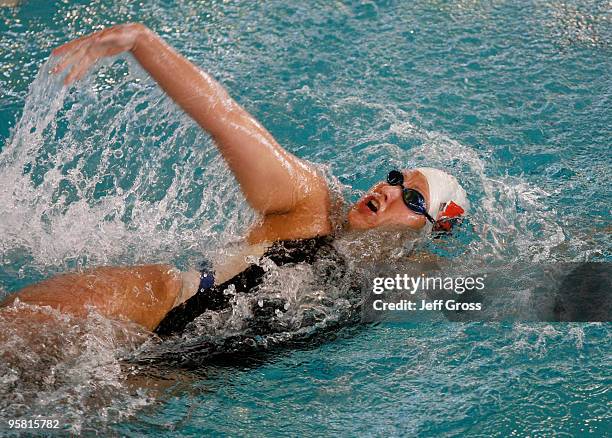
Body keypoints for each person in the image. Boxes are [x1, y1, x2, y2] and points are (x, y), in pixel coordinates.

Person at [0, 23, 469, 335]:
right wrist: (141, 42)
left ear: (426, 230)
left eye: (410, 197)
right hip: (144, 302)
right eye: (393, 179)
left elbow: (494, 291)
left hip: (178, 370)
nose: (385, 191)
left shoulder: (390, 279)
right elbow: (227, 120)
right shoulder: (308, 202)